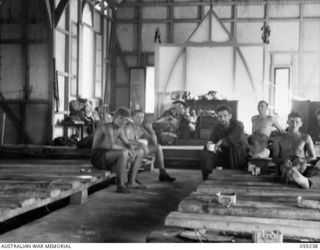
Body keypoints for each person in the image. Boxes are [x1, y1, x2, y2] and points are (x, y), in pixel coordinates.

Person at [91, 107, 144, 193]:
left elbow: (127, 143)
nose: (125, 122)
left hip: (110, 156)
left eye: (126, 120)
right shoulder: (108, 127)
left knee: (140, 152)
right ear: (117, 118)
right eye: (123, 119)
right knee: (123, 152)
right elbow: (111, 145)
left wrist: (130, 148)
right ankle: (120, 185)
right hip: (98, 156)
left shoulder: (120, 129)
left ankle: (132, 182)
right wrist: (127, 149)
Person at [124, 109, 176, 182]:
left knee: (158, 147)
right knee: (141, 151)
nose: (140, 120)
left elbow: (154, 143)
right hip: (128, 151)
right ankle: (132, 178)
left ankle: (162, 173)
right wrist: (141, 144)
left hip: (138, 150)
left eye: (142, 117)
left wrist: (151, 130)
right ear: (132, 118)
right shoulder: (128, 127)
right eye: (138, 117)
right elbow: (125, 141)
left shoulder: (139, 128)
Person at [200, 105, 248, 180]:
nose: (222, 119)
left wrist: (221, 141)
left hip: (238, 153)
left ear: (230, 116)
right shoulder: (217, 128)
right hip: (223, 153)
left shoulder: (238, 125)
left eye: (225, 116)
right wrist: (210, 145)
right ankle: (207, 177)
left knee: (234, 148)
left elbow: (233, 139)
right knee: (206, 150)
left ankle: (234, 177)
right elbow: (212, 141)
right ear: (217, 117)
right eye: (220, 116)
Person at [272, 111, 319, 189]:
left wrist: (301, 159)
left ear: (301, 124)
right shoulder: (279, 138)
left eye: (297, 122)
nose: (294, 124)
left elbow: (313, 157)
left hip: (300, 166)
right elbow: (274, 158)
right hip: (284, 165)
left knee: (297, 165)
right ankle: (296, 178)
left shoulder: (306, 137)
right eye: (292, 121)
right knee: (286, 166)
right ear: (288, 122)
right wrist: (284, 160)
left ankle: (295, 176)